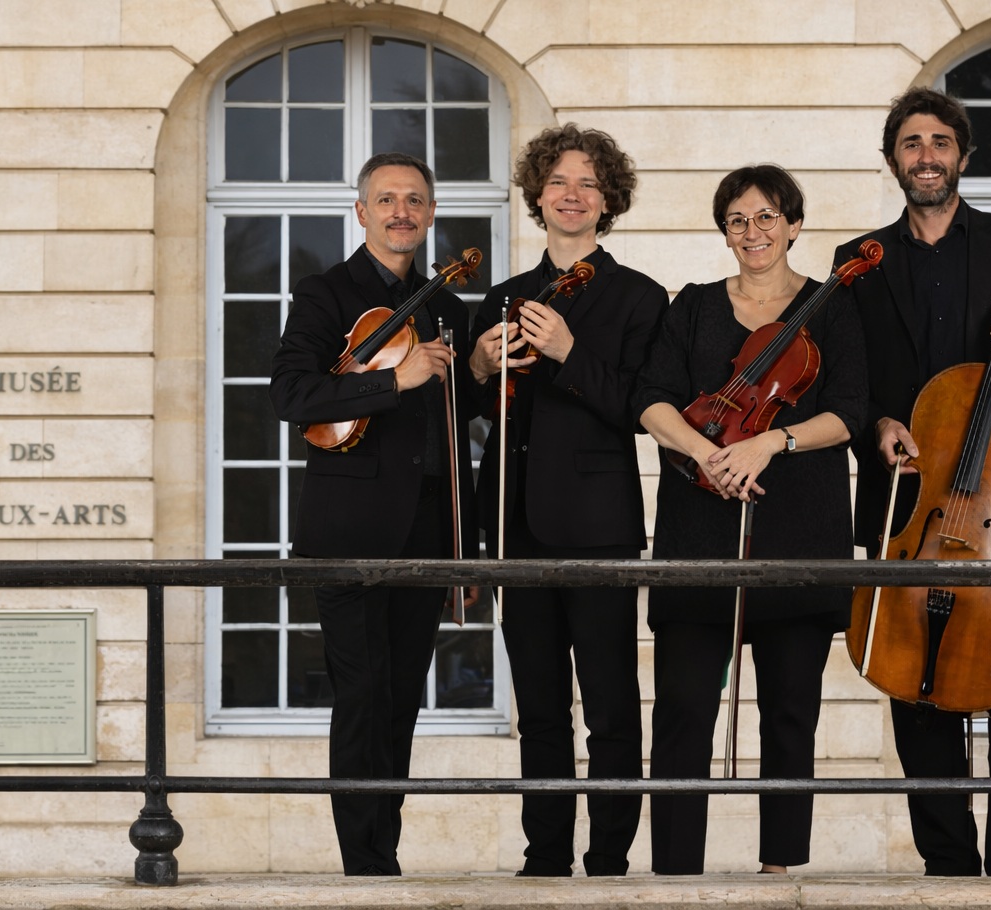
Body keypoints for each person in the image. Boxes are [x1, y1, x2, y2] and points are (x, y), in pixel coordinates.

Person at [833, 86, 991, 877]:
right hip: (909, 505)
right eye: (911, 143)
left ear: (962, 156)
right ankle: (944, 859)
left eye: (939, 142)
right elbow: (850, 383)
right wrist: (877, 425)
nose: (926, 156)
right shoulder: (860, 260)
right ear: (892, 160)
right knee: (913, 681)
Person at [633, 164, 868, 874]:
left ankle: (779, 869)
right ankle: (676, 870)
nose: (752, 231)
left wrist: (771, 441)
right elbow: (651, 399)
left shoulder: (832, 307)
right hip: (697, 533)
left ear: (793, 226)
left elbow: (850, 413)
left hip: (800, 530)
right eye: (737, 219)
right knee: (681, 710)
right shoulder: (693, 306)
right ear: (724, 232)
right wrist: (707, 453)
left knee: (791, 712)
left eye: (767, 216)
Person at [467, 124, 667, 877]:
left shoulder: (640, 297)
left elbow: (640, 409)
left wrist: (568, 353)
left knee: (611, 707)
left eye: (588, 183)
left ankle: (609, 857)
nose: (572, 194)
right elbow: (472, 413)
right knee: (540, 710)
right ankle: (545, 856)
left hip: (598, 525)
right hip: (515, 523)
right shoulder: (503, 298)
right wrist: (478, 369)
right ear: (538, 196)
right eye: (557, 182)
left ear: (608, 200)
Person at [270, 152, 476, 876]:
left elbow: (452, 428)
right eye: (386, 199)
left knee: (401, 700)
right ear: (361, 212)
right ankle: (366, 867)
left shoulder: (446, 306)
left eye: (414, 200)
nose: (401, 212)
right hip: (349, 530)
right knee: (362, 695)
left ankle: (382, 848)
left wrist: (477, 372)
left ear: (430, 213)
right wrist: (394, 379)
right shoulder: (326, 293)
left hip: (426, 530)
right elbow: (292, 396)